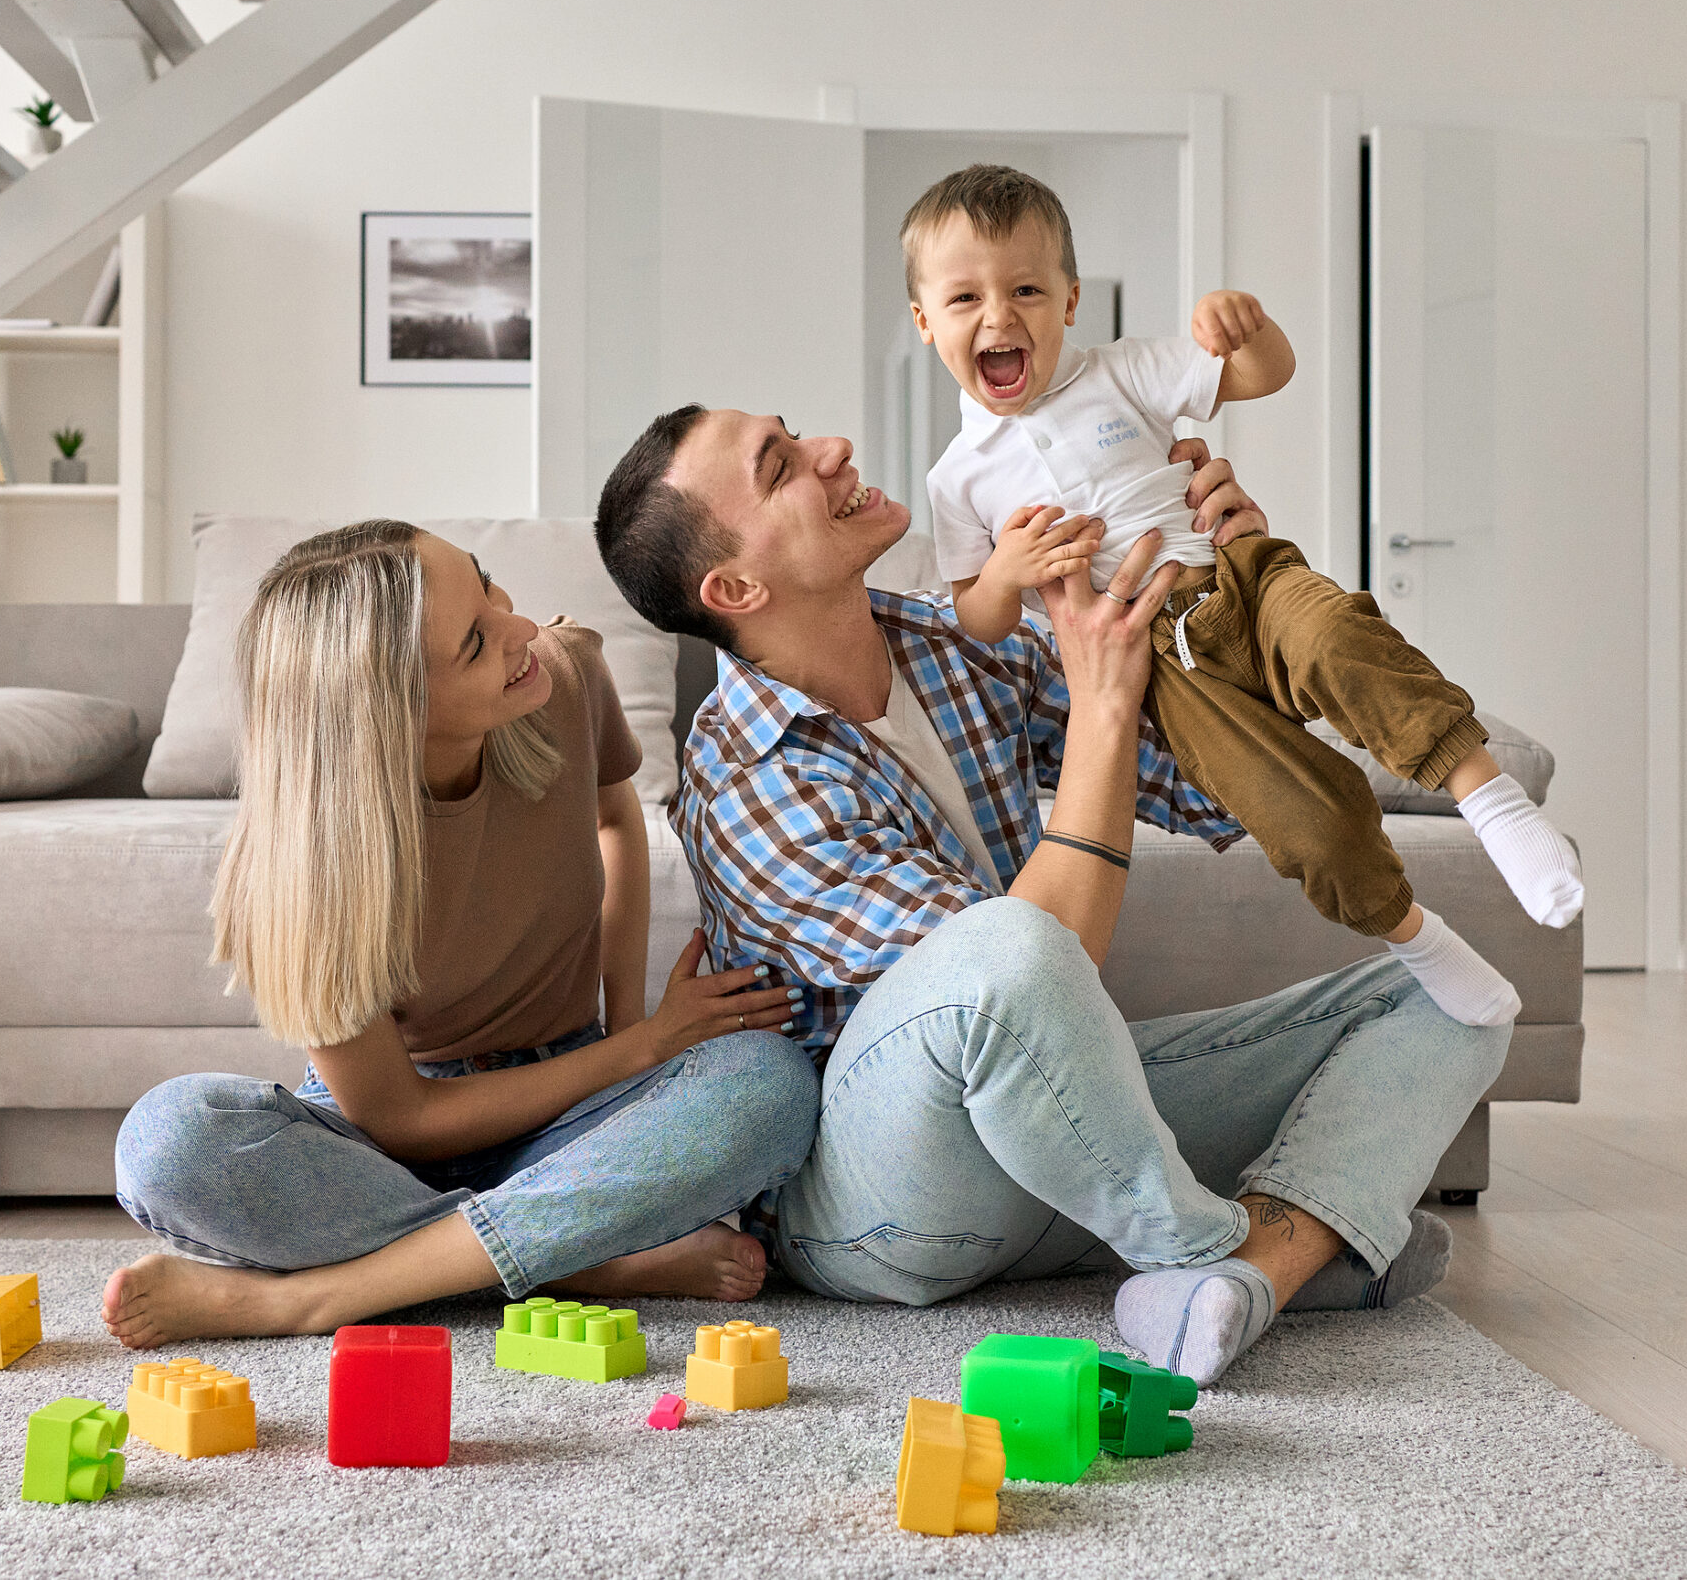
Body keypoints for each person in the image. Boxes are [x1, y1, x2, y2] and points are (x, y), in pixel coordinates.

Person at [594, 411, 1509, 1387]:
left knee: (1453, 996)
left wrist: (1239, 593)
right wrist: (1103, 710)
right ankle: (1220, 1251)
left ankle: (1257, 1271)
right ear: (735, 588)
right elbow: (1027, 967)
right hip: (881, 1203)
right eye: (781, 468)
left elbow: (1221, 791)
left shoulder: (958, 648)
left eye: (797, 433)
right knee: (1004, 946)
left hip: (1055, 1143)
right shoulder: (748, 780)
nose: (831, 451)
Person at [101, 520, 819, 1349]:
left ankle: (325, 1289)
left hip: (570, 1104)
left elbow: (617, 817)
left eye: (488, 586)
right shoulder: (299, 869)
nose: (521, 631)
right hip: (386, 1149)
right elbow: (400, 1118)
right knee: (165, 1142)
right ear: (389, 715)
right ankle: (569, 1258)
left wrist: (632, 1032)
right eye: (477, 644)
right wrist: (639, 1050)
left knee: (768, 1083)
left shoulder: (563, 675)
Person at [907, 164, 1581, 1026]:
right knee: (1297, 815)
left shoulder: (1123, 371)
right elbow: (974, 615)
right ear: (927, 324)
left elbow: (1264, 375)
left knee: (1341, 639)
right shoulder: (958, 477)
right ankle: (1420, 940)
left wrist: (1246, 326)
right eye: (965, 299)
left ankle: (1492, 803)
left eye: (1027, 289)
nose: (999, 316)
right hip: (1164, 669)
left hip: (1239, 577)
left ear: (1070, 301)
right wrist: (1003, 573)